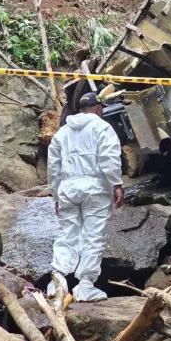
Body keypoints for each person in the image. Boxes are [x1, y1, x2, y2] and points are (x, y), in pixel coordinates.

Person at [47, 92, 123, 302]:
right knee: (93, 236)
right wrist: (116, 183)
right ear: (98, 108)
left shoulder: (62, 133)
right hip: (96, 188)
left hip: (68, 189)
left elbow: (53, 168)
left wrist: (55, 195)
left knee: (67, 234)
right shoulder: (102, 128)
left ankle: (57, 282)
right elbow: (109, 157)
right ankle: (85, 287)